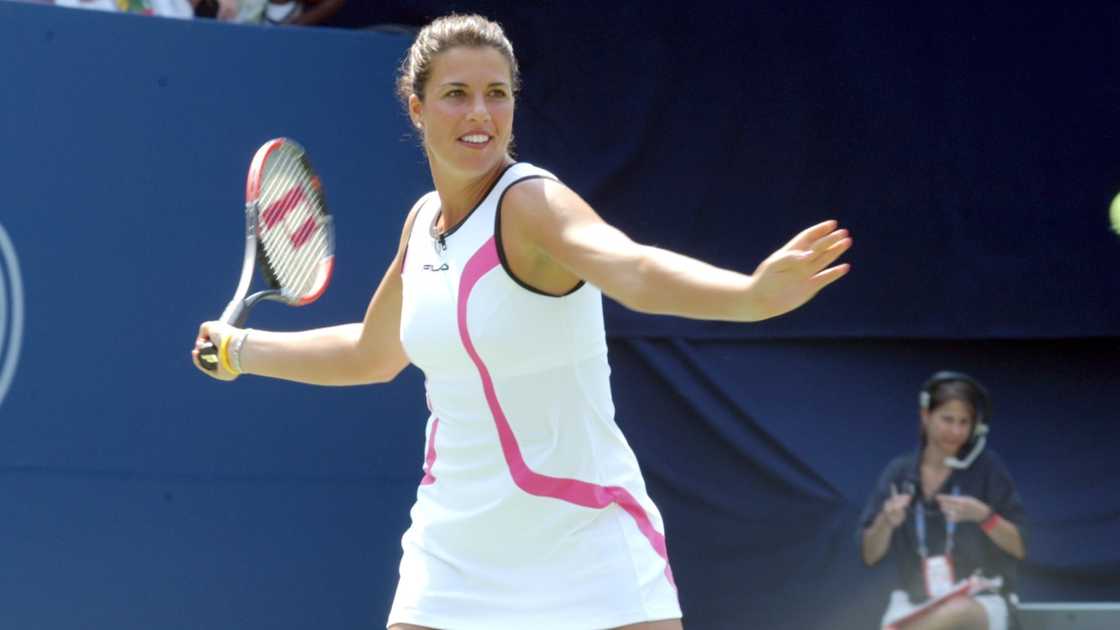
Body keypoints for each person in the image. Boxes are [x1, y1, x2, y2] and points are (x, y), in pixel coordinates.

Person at [192, 13, 851, 630]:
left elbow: (631, 268)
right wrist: (244, 349)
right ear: (416, 108)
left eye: (497, 93)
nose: (479, 113)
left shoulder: (532, 203)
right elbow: (372, 353)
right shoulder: (421, 226)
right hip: (453, 548)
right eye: (456, 93)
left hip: (585, 538)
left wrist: (749, 296)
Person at [859, 372, 1027, 630]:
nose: (956, 431)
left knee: (956, 611)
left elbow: (1019, 547)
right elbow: (870, 555)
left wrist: (985, 517)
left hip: (980, 600)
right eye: (947, 419)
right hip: (916, 603)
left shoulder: (987, 468)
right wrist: (886, 522)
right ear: (925, 416)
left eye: (964, 422)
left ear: (976, 427)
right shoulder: (899, 472)